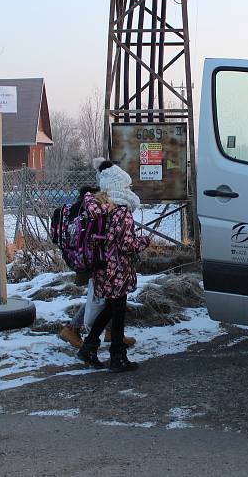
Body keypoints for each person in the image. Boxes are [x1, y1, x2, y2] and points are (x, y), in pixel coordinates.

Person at [76, 158, 149, 373]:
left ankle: (89, 347)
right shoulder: (122, 212)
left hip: (101, 267)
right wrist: (143, 241)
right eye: (126, 185)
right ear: (119, 187)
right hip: (118, 270)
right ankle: (117, 356)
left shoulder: (100, 208)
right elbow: (127, 245)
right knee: (117, 312)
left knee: (111, 308)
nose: (129, 189)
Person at [59, 181, 136, 349]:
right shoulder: (101, 200)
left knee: (107, 299)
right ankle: (72, 328)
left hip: (92, 257)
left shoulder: (94, 200)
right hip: (96, 259)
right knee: (100, 299)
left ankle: (113, 332)